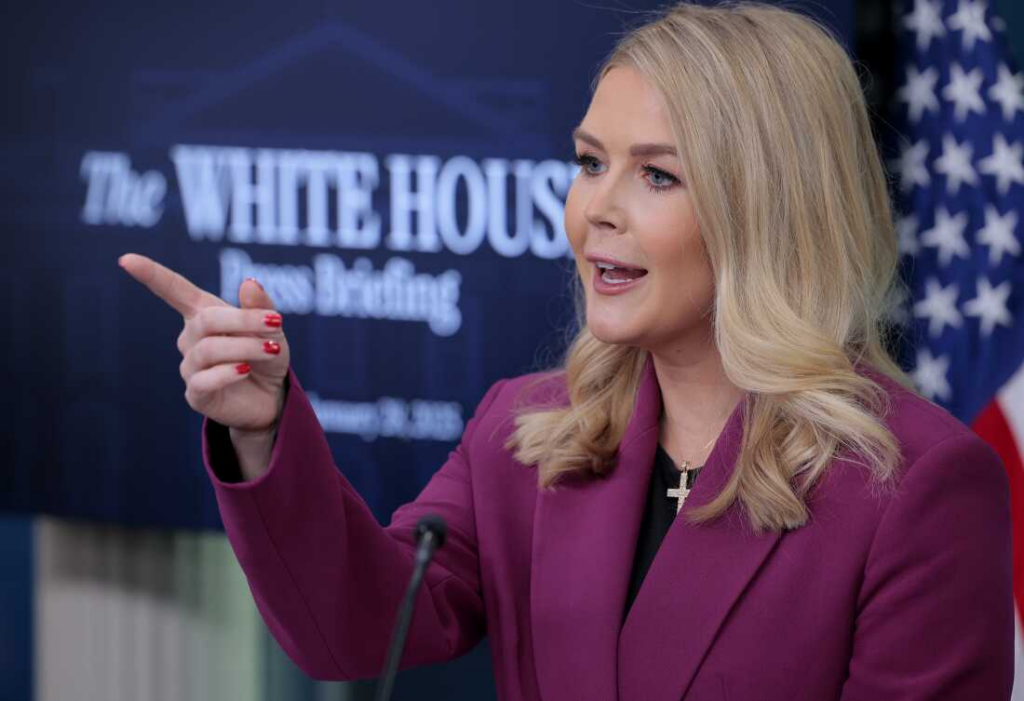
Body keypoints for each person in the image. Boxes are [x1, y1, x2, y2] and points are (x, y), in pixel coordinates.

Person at [119, 2, 1013, 699]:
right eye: (591, 162)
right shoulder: (529, 426)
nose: (596, 212)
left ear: (768, 215)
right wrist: (262, 428)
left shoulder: (919, 486)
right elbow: (354, 627)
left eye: (657, 175)